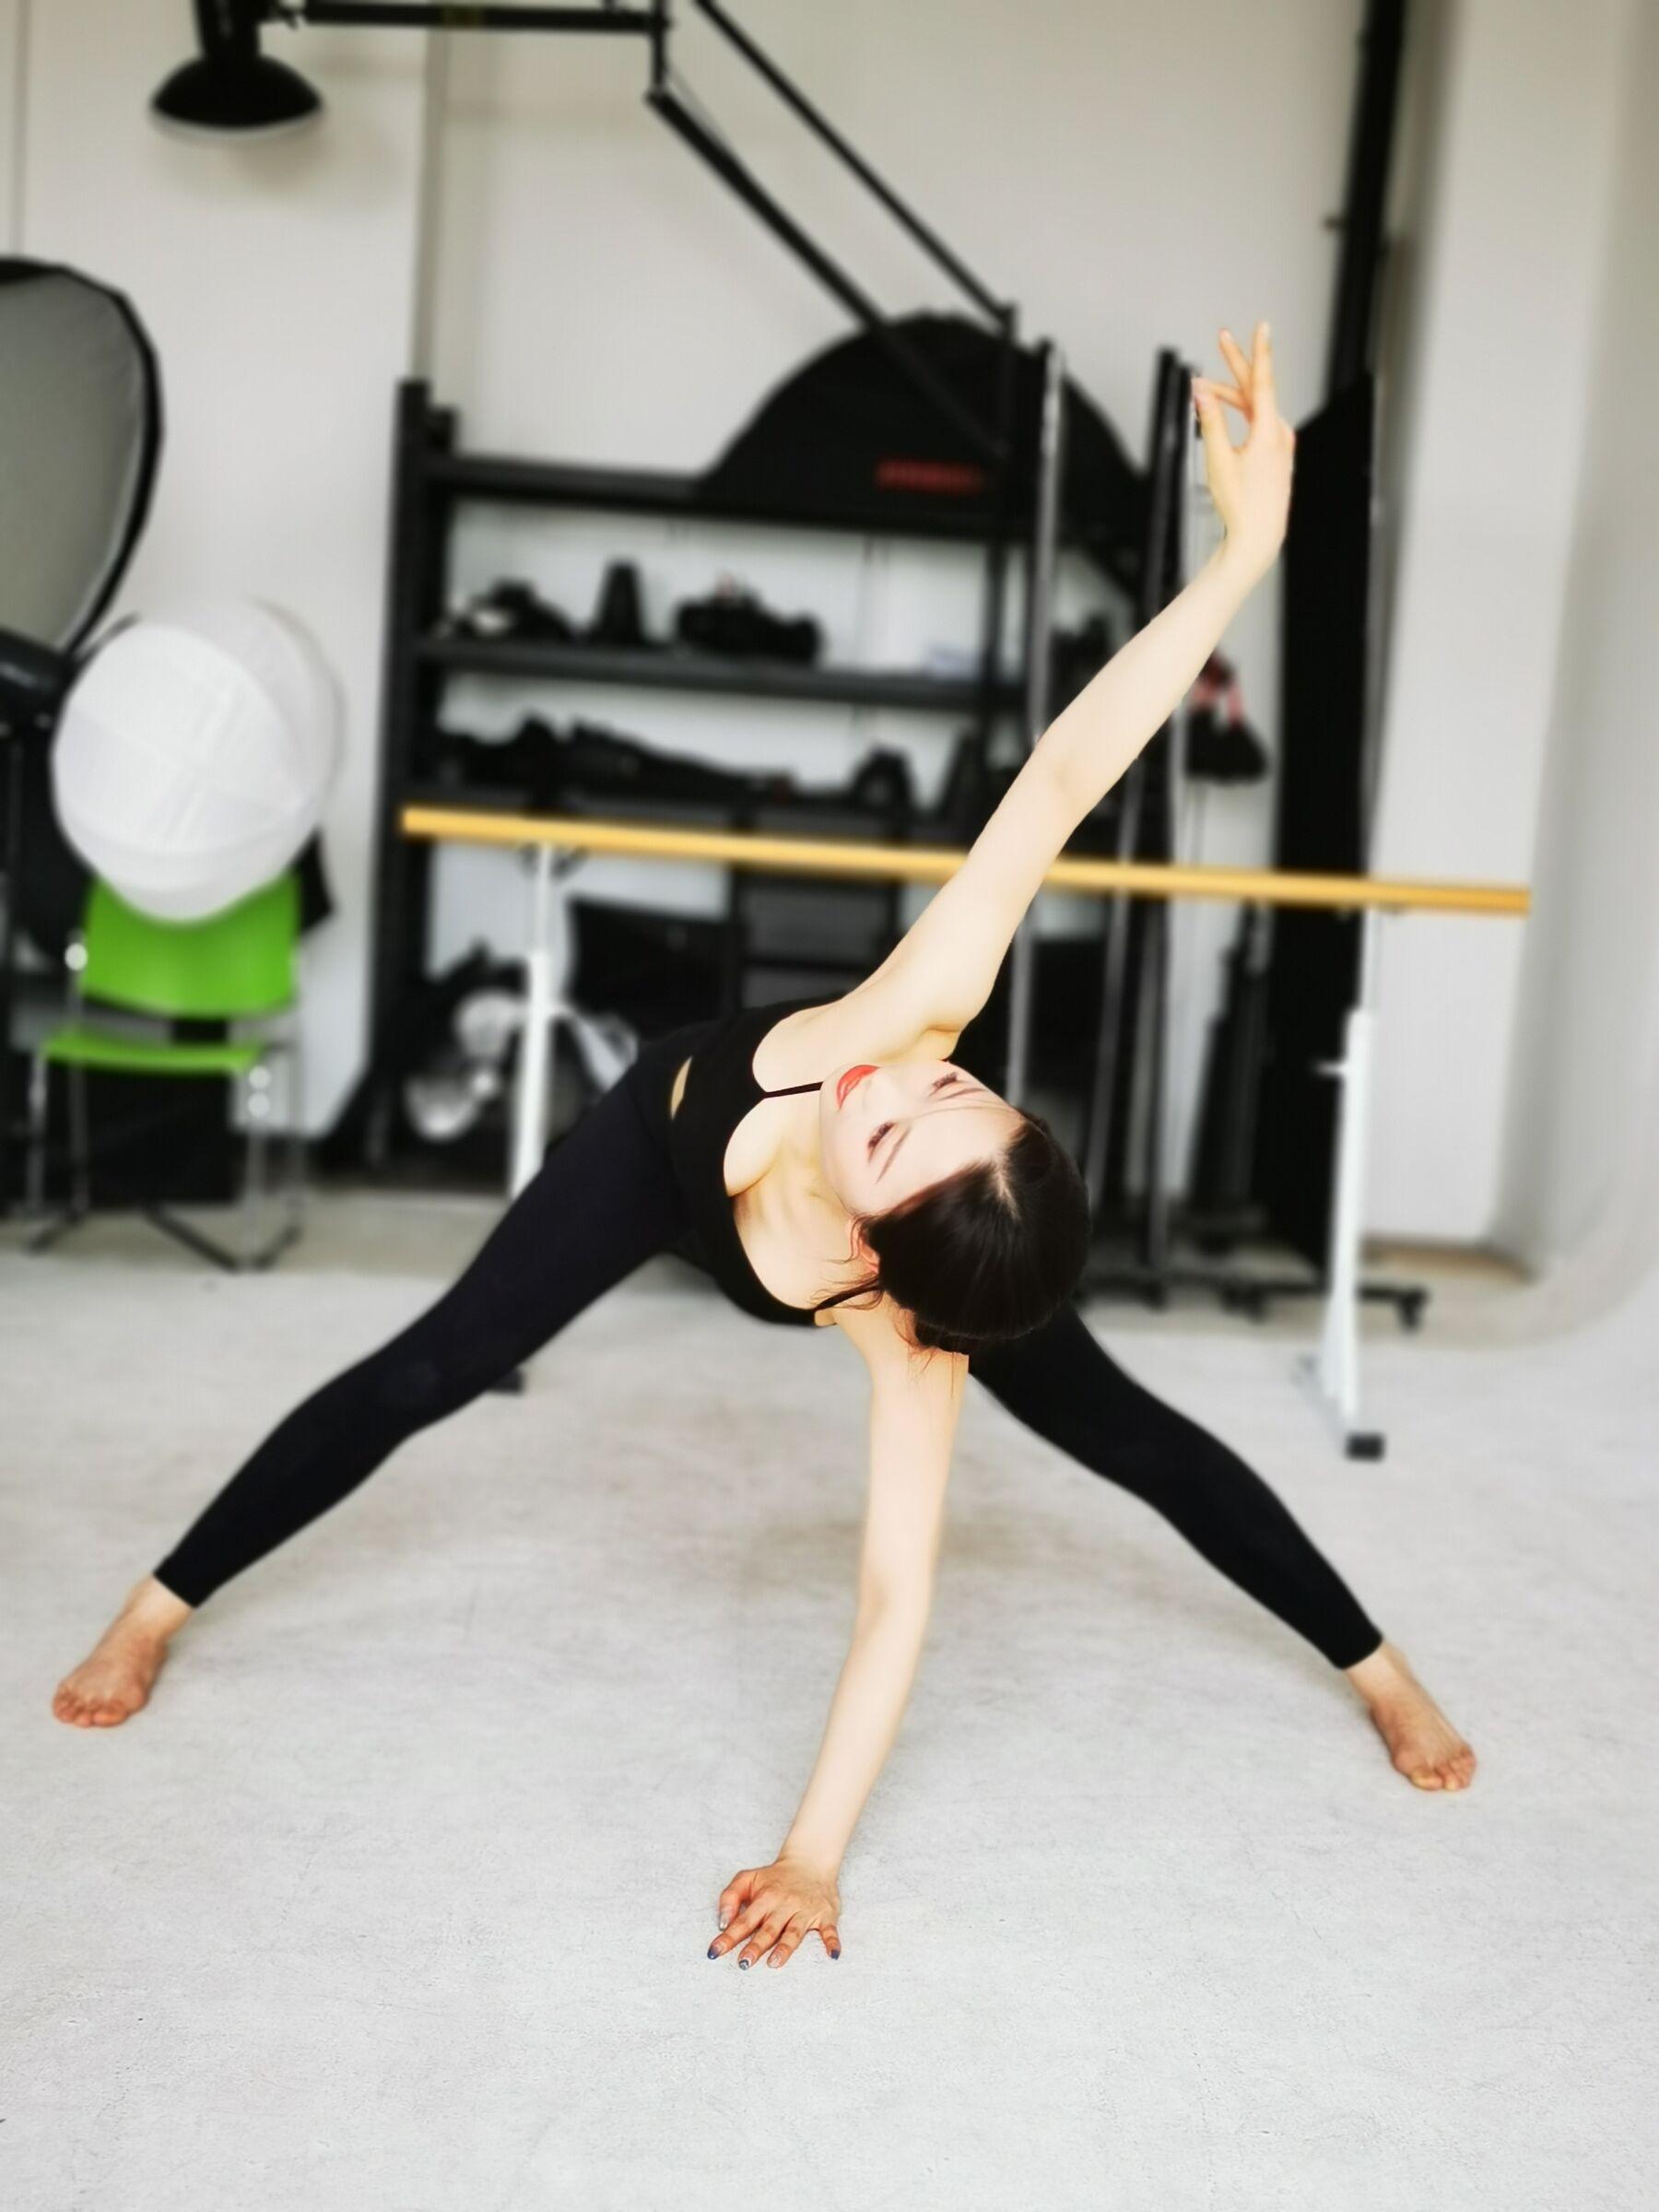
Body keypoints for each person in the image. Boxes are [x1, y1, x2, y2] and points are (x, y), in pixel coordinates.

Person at [51, 325, 1475, 1971]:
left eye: (912, 1126)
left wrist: (812, 1859)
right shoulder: (913, 1012)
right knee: (432, 1365)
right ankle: (155, 1608)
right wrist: (1245, 557)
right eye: (959, 1090)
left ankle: (1381, 1669)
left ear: (878, 1260)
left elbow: (893, 1604)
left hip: (925, 1264)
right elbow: (1066, 774)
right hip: (659, 1146)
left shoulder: (918, 1336)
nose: (902, 1082)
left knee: (1130, 1437)